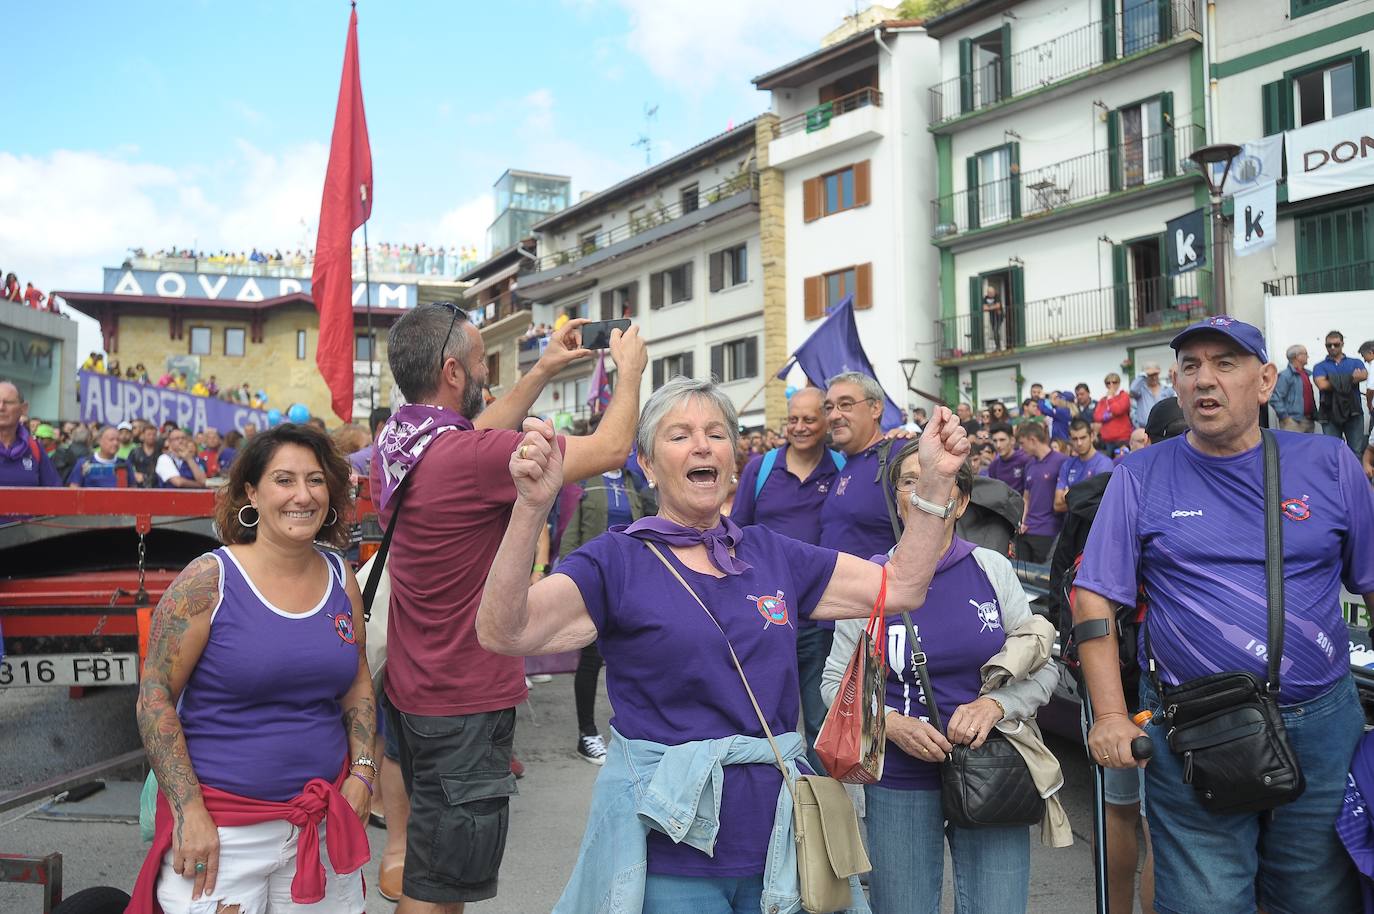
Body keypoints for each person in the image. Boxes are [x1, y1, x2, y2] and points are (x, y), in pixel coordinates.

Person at [475, 378, 970, 913]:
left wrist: (938, 484)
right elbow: (504, 631)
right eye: (679, 435)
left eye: (715, 433)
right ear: (646, 461)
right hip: (671, 849)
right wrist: (530, 507)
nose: (702, 445)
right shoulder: (615, 560)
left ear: (734, 456)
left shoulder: (770, 552)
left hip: (781, 842)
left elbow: (900, 586)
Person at [1076, 316, 1374, 914]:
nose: (1203, 380)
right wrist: (1109, 714)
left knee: (1314, 897)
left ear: (1266, 381)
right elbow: (1092, 596)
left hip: (1320, 723)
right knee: (1205, 902)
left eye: (1225, 364)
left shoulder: (1329, 462)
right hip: (1195, 724)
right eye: (1191, 367)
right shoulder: (1139, 474)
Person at [369, 303, 646, 914]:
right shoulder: (470, 459)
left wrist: (543, 368)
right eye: (478, 365)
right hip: (464, 701)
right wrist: (629, 372)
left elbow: (472, 433)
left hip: (417, 690)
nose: (487, 375)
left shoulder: (400, 442)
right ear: (451, 373)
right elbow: (610, 448)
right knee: (438, 891)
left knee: (432, 864)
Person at [128, 423, 375, 914]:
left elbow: (357, 680)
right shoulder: (208, 581)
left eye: (316, 480)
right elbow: (154, 696)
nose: (302, 495)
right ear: (251, 492)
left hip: (322, 826)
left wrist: (364, 773)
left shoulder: (339, 575)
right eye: (284, 480)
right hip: (222, 835)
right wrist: (189, 809)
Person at [822, 451, 1061, 914]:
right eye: (910, 482)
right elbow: (835, 683)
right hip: (898, 778)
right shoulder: (870, 579)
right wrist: (890, 724)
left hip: (990, 769)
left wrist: (996, 706)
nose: (923, 492)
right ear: (897, 500)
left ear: (961, 500)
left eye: (937, 481)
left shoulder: (991, 569)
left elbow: (1044, 667)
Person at [731, 387, 846, 773]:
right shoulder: (760, 468)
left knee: (818, 721)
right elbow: (737, 533)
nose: (798, 427)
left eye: (808, 419)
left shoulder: (841, 468)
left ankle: (818, 810)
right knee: (760, 717)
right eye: (792, 419)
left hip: (817, 614)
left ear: (825, 422)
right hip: (765, 615)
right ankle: (763, 798)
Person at [557, 454, 649, 765]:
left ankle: (634, 731)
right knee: (591, 659)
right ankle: (587, 734)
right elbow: (570, 530)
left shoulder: (633, 482)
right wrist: (566, 576)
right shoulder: (584, 480)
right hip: (595, 580)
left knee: (635, 655)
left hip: (631, 581)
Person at [1014, 420, 1065, 563]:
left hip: (1048, 531)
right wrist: (1022, 522)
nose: (1021, 448)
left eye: (1022, 443)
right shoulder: (1030, 464)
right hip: (1027, 530)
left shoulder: (1061, 461)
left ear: (1032, 440)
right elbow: (1026, 497)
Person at [1314, 329, 1368, 455]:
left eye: (1336, 344)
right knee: (1333, 452)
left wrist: (1331, 379)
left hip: (1353, 412)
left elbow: (1363, 375)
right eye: (1329, 345)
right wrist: (1350, 378)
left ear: (1342, 344)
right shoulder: (1319, 366)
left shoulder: (1355, 362)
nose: (1332, 347)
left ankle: (1354, 475)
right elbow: (1322, 385)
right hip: (1329, 413)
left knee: (1356, 451)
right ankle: (1337, 476)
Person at [0, 380, 62, 486]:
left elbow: (55, 494)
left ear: (23, 408)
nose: (1, 407)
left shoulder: (34, 448)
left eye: (8, 402)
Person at [1055, 418, 1113, 513]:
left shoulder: (1104, 463)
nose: (1079, 443)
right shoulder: (1067, 464)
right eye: (1075, 439)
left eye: (1083, 438)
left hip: (1092, 525)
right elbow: (1057, 504)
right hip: (1070, 525)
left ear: (1092, 436)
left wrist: (1070, 495)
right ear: (1070, 440)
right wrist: (1084, 498)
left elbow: (1100, 504)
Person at [1272, 343, 1318, 433]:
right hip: (1293, 423)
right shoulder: (1286, 375)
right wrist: (1285, 418)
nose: (1308, 357)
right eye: (1305, 354)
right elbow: (1275, 398)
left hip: (1309, 421)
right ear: (1298, 356)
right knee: (1293, 447)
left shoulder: (1305, 374)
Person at [985, 422, 1031, 493]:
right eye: (995, 441)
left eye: (1002, 440)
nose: (998, 445)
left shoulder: (1025, 460)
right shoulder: (993, 466)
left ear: (1012, 440)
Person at [1128, 363, 1175, 429]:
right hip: (1144, 429)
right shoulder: (1140, 390)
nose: (1154, 377)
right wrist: (1144, 374)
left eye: (1156, 374)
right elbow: (1132, 389)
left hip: (1163, 429)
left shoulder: (1167, 390)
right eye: (1150, 375)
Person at [1093, 374, 1131, 455]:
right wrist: (1109, 415)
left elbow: (1118, 410)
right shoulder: (1103, 400)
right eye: (1108, 383)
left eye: (1114, 382)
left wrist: (1110, 398)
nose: (1111, 385)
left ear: (1119, 383)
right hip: (1107, 440)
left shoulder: (1124, 396)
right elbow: (1097, 416)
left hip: (1122, 438)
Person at [982, 282, 1004, 351]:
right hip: (992, 316)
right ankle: (997, 346)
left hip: (999, 316)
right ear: (987, 293)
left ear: (994, 292)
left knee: (995, 330)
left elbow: (998, 306)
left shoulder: (997, 296)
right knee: (994, 331)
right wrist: (994, 308)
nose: (991, 294)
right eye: (989, 292)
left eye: (992, 292)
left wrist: (990, 307)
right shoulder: (985, 298)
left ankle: (998, 347)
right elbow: (984, 308)